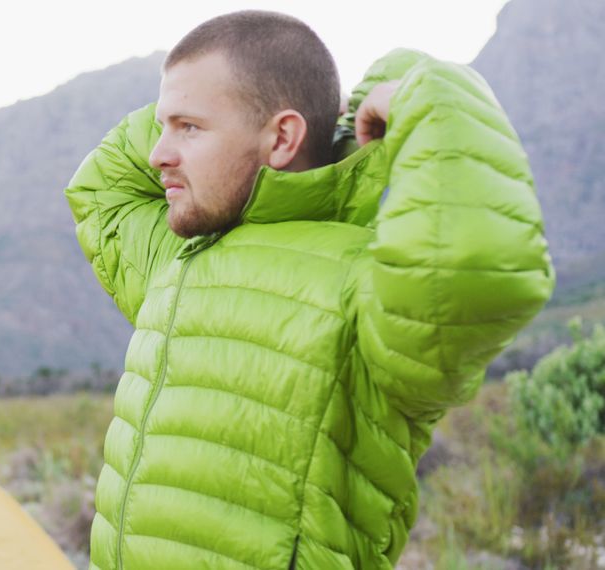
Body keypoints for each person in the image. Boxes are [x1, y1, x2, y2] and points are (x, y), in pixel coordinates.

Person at [64, 10, 553, 570]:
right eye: (162, 124)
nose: (157, 154)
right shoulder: (177, 257)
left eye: (189, 128)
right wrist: (194, 102)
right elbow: (103, 188)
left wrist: (419, 91)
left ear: (283, 137)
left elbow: (475, 266)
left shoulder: (368, 287)